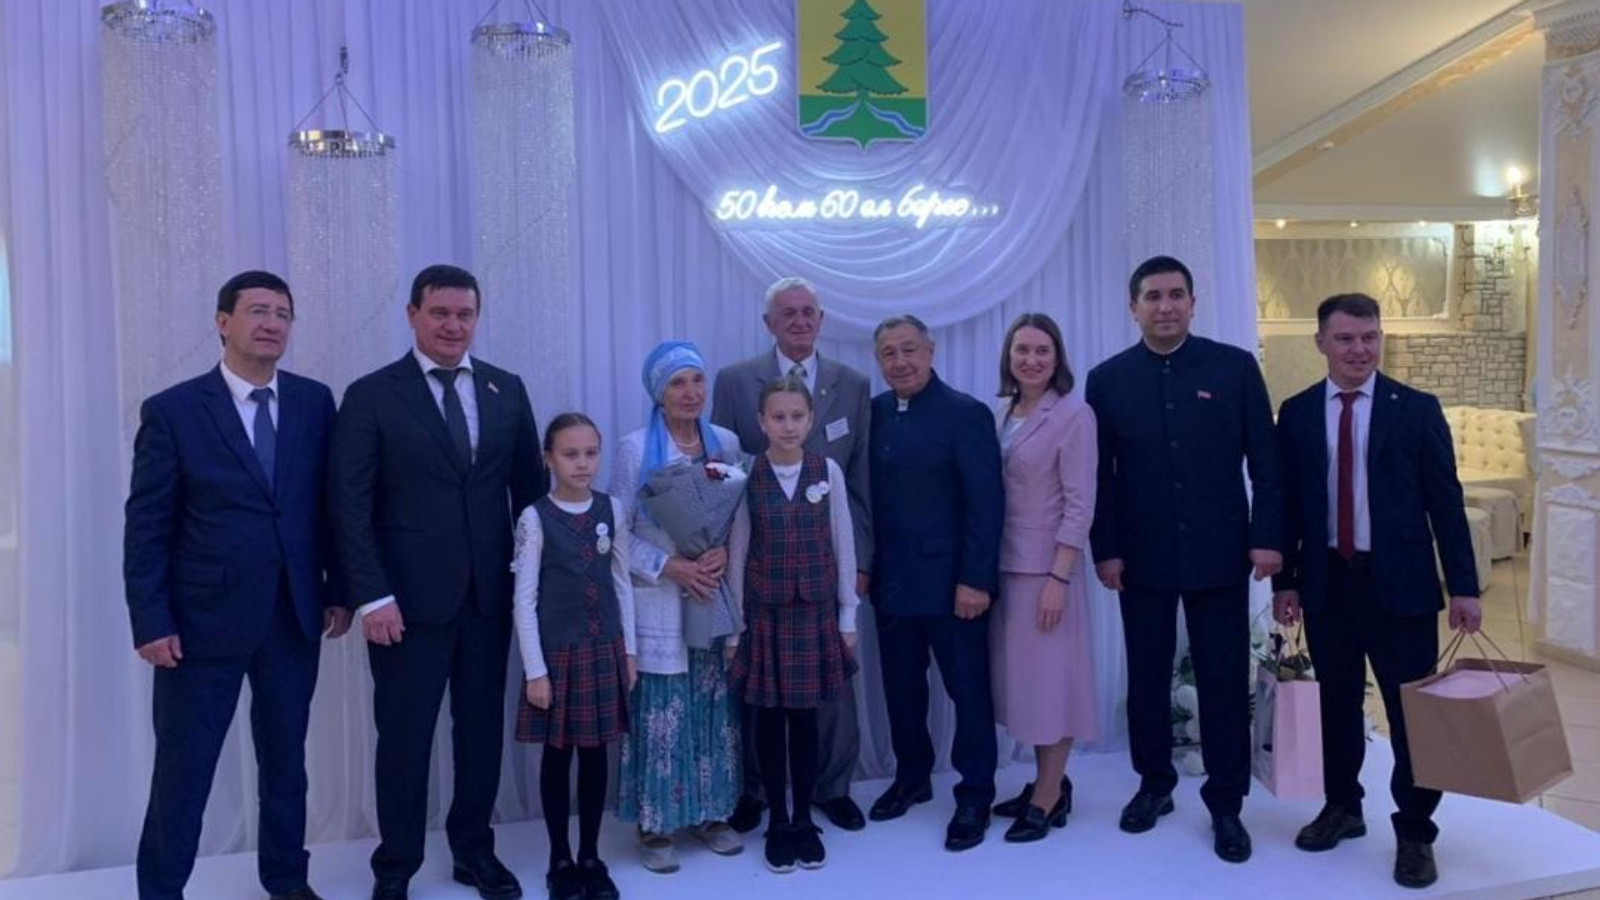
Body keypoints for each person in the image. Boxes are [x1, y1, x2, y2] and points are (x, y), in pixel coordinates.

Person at [123, 270, 348, 900]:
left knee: (286, 763)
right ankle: (161, 891)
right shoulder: (173, 411)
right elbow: (147, 526)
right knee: (184, 770)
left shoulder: (314, 402)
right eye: (257, 311)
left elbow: (326, 506)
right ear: (224, 322)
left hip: (293, 616)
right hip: (199, 624)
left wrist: (337, 587)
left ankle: (287, 882)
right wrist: (151, 620)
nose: (272, 323)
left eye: (283, 313)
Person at [330, 264, 547, 900]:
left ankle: (473, 852)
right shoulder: (371, 395)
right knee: (405, 739)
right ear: (412, 315)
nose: (453, 326)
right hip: (403, 607)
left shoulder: (507, 389)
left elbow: (529, 498)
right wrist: (371, 595)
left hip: (488, 601)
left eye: (465, 314)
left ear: (477, 317)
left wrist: (537, 594)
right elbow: (349, 504)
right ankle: (394, 867)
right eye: (440, 313)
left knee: (479, 736)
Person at [1272, 293, 1481, 889]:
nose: (1359, 349)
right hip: (1328, 586)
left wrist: (1464, 586)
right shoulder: (1297, 412)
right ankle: (1343, 807)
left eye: (1370, 337)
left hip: (1402, 588)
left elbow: (1445, 502)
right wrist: (1287, 580)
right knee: (1337, 707)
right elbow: (1288, 503)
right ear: (1321, 343)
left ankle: (1415, 832)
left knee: (1411, 716)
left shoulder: (1415, 409)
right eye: (1345, 338)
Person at [1086, 255, 1282, 863]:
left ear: (1193, 303)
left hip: (1220, 552)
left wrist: (1267, 537)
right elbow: (1100, 477)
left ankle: (1227, 804)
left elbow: (1266, 462)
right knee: (1147, 677)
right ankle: (1154, 784)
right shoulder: (1107, 379)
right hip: (1139, 557)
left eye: (1176, 295)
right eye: (1153, 296)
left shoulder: (1234, 367)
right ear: (1134, 307)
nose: (1165, 306)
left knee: (1223, 680)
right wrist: (1107, 549)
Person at [711, 276, 873, 834]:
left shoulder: (853, 384)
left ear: (821, 319)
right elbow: (723, 481)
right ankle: (758, 791)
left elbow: (859, 482)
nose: (800, 320)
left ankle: (831, 788)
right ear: (769, 323)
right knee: (760, 699)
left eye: (809, 312)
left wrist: (859, 567)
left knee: (830, 694)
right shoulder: (735, 382)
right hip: (763, 583)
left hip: (825, 575)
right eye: (789, 313)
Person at [866, 314, 1004, 852]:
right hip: (892, 583)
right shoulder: (875, 413)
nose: (900, 362)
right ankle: (912, 777)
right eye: (888, 353)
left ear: (930, 352)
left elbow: (985, 504)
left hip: (954, 587)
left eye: (909, 350)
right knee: (901, 689)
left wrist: (976, 580)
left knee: (968, 692)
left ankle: (976, 793)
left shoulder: (965, 413)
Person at [611, 341, 745, 873]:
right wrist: (669, 566)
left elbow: (738, 517)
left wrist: (720, 553)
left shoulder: (725, 443)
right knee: (663, 711)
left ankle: (711, 813)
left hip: (710, 593)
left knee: (711, 705)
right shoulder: (633, 449)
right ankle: (656, 824)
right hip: (660, 598)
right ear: (658, 393)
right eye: (677, 383)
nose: (690, 393)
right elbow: (616, 531)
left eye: (697, 380)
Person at [727, 377, 860, 873]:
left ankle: (804, 818)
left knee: (805, 719)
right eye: (778, 417)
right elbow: (739, 551)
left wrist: (848, 614)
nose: (788, 426)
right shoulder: (748, 475)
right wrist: (736, 628)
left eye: (797, 417)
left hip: (813, 614)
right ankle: (778, 822)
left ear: (811, 420)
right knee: (768, 719)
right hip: (765, 614)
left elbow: (843, 543)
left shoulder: (827, 471)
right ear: (761, 422)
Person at [511, 413, 638, 900]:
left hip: (603, 649)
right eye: (570, 454)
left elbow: (621, 583)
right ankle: (559, 859)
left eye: (590, 453)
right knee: (558, 754)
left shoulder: (612, 509)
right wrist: (535, 671)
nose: (582, 463)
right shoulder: (535, 517)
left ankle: (590, 855)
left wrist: (628, 651)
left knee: (596, 752)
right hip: (557, 656)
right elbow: (524, 599)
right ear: (549, 458)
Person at [987, 313, 1099, 843]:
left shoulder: (1073, 414)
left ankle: (1049, 795)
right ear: (1009, 357)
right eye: (1022, 350)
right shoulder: (1003, 411)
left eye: (1041, 351)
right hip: (1006, 567)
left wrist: (1060, 576)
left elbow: (1080, 504)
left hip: (1047, 572)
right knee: (1028, 688)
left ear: (1057, 359)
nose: (1030, 360)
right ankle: (1045, 782)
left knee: (1052, 687)